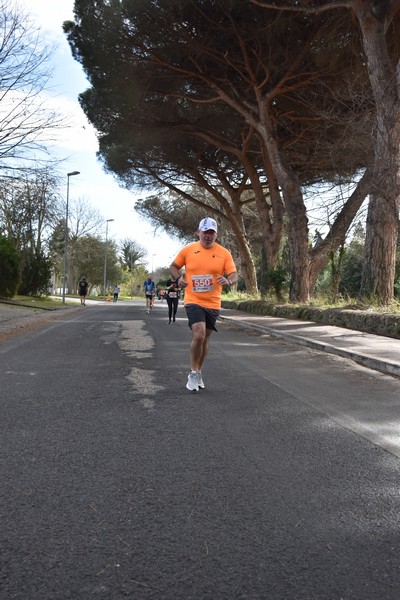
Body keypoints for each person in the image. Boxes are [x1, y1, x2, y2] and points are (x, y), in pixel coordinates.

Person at [170, 216, 238, 392]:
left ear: (216, 234)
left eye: (211, 233)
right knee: (198, 335)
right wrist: (178, 279)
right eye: (205, 232)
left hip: (213, 301)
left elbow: (234, 274)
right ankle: (193, 373)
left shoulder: (224, 253)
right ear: (198, 232)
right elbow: (173, 267)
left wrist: (228, 281)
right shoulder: (188, 250)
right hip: (193, 299)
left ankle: (198, 370)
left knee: (206, 338)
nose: (208, 236)